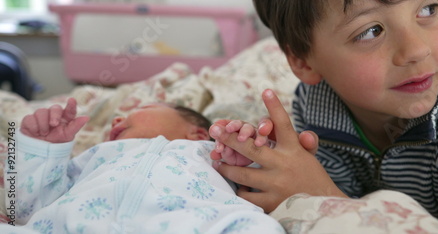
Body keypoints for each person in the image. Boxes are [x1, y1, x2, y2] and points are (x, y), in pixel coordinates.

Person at [209, 0, 438, 233]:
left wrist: (320, 196)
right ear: (302, 61)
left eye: (428, 9)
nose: (416, 50)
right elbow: (321, 186)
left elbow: (323, 193)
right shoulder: (315, 104)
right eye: (371, 31)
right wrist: (266, 165)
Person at [3, 98, 284, 233]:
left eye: (142, 109)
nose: (116, 120)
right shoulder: (98, 155)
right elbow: (27, 208)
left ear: (197, 133)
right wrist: (41, 149)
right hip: (74, 226)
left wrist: (248, 145)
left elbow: (267, 181)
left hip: (190, 226)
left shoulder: (212, 154)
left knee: (257, 226)